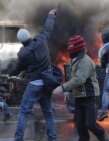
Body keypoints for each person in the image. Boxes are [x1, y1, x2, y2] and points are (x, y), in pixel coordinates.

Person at [53, 35, 109, 141]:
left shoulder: (85, 62)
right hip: (80, 96)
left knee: (90, 124)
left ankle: (103, 137)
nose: (70, 52)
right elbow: (72, 77)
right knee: (80, 126)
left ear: (77, 50)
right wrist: (68, 91)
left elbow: (79, 79)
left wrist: (63, 88)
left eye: (72, 50)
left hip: (90, 96)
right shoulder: (75, 60)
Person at [14, 9, 57, 141]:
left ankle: (18, 139)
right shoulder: (41, 40)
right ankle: (52, 138)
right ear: (30, 36)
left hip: (34, 85)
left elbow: (19, 68)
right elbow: (48, 28)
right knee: (48, 113)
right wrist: (50, 15)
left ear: (21, 42)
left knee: (24, 112)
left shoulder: (22, 54)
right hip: (47, 83)